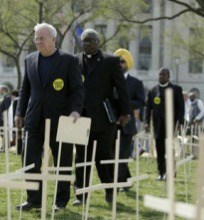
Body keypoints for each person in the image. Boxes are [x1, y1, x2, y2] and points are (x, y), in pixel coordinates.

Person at [14, 23, 84, 211]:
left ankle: (60, 201)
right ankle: (34, 198)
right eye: (36, 38)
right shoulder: (29, 60)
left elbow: (77, 90)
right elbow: (25, 89)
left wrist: (76, 110)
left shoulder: (69, 61)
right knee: (29, 160)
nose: (38, 42)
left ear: (53, 39)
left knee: (62, 162)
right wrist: (19, 112)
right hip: (34, 119)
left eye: (42, 38)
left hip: (62, 120)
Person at [72, 29, 131, 206]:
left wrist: (125, 112)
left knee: (104, 158)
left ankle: (110, 192)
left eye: (91, 41)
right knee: (82, 159)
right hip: (81, 118)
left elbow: (121, 89)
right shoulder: (74, 61)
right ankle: (81, 195)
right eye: (84, 41)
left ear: (98, 42)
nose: (87, 44)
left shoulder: (110, 61)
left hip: (104, 119)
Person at [113, 48, 145, 192]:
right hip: (111, 123)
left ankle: (118, 184)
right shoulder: (109, 80)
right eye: (117, 61)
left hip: (127, 125)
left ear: (128, 63)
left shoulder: (136, 83)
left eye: (122, 61)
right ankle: (126, 181)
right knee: (113, 155)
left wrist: (124, 103)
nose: (119, 64)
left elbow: (140, 102)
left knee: (122, 155)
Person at [145, 68, 184, 180]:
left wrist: (180, 122)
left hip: (171, 124)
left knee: (170, 148)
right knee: (159, 148)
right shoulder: (153, 90)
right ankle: (160, 172)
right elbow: (148, 108)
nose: (161, 76)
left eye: (164, 75)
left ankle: (171, 171)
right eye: (160, 74)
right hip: (158, 125)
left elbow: (181, 108)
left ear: (168, 76)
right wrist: (147, 122)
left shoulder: (176, 89)